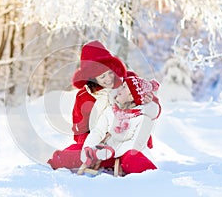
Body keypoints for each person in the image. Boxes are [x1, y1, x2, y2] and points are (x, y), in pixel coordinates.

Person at [47, 40, 155, 171]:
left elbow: (151, 110)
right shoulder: (83, 97)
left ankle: (155, 178)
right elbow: (78, 134)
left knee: (133, 159)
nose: (109, 79)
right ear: (92, 77)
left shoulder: (127, 83)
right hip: (97, 147)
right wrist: (95, 146)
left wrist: (151, 101)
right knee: (68, 155)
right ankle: (52, 165)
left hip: (128, 144)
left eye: (110, 72)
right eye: (102, 76)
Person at [80, 75, 161, 175]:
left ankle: (155, 178)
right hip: (105, 153)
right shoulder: (111, 111)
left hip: (125, 153)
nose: (119, 88)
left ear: (131, 96)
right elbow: (98, 131)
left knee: (133, 158)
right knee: (79, 150)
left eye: (124, 87)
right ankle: (62, 159)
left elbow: (136, 144)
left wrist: (113, 151)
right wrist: (90, 148)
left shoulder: (143, 118)